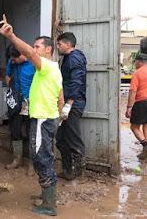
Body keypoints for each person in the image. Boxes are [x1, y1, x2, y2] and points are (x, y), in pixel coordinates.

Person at [0, 14, 64, 216]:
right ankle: (47, 196)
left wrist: (11, 36)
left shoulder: (46, 66)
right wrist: (58, 115)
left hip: (43, 119)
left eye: (37, 47)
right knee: (44, 156)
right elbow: (61, 95)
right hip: (47, 118)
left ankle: (49, 205)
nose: (34, 50)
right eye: (34, 47)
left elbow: (29, 54)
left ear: (48, 50)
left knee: (41, 158)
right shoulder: (51, 70)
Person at [55, 32, 87, 184]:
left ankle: (79, 175)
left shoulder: (74, 58)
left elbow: (76, 82)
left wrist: (69, 104)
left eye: (59, 44)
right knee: (61, 139)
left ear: (68, 44)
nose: (58, 46)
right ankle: (68, 171)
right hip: (66, 103)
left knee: (73, 139)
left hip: (73, 104)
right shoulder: (67, 58)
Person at [4, 45, 36, 173]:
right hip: (16, 102)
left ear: (22, 55)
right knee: (15, 130)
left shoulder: (34, 62)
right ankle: (17, 159)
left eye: (14, 59)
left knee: (31, 133)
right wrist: (11, 87)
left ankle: (31, 164)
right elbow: (7, 75)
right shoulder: (12, 61)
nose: (11, 62)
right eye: (10, 59)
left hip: (31, 102)